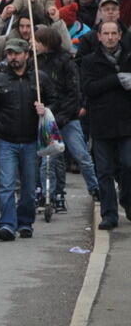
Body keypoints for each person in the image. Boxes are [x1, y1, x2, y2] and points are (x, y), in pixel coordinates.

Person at [0, 38, 56, 241]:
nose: (13, 57)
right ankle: (7, 223)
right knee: (7, 184)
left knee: (29, 187)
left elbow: (56, 101)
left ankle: (25, 222)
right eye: (9, 54)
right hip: (6, 141)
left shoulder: (39, 79)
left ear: (26, 55)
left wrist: (47, 109)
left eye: (16, 53)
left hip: (32, 141)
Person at [33, 26, 98, 211]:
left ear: (46, 43)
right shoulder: (35, 63)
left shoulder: (66, 62)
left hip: (67, 119)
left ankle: (95, 189)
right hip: (47, 118)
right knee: (48, 160)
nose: (34, 44)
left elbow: (73, 93)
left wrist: (62, 117)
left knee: (81, 155)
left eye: (37, 41)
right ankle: (48, 195)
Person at [80, 21, 131, 230]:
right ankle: (109, 214)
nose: (110, 37)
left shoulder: (129, 58)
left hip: (127, 124)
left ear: (120, 35)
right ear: (99, 36)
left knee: (128, 164)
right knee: (104, 171)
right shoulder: (90, 61)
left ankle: (127, 201)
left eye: (113, 33)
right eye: (106, 33)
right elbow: (88, 88)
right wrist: (116, 80)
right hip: (101, 124)